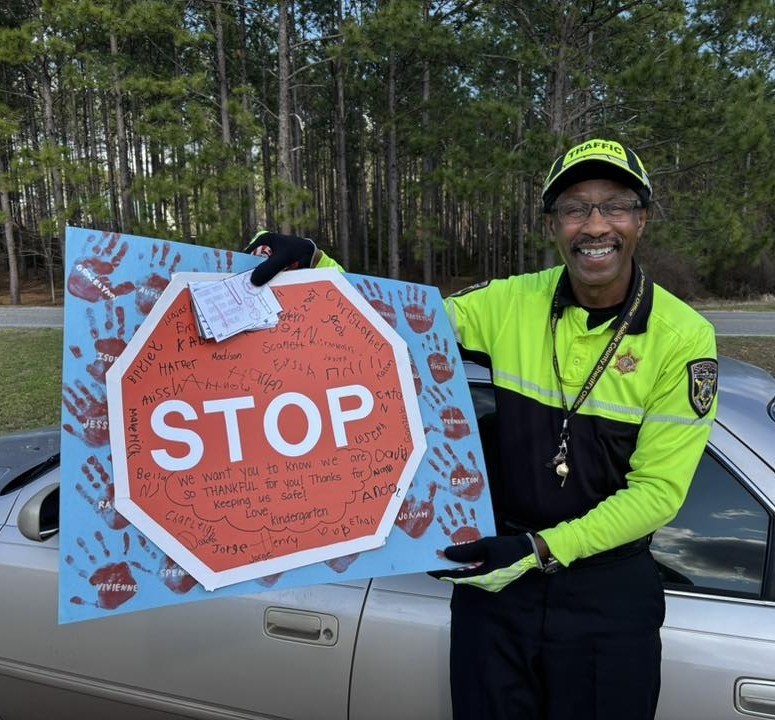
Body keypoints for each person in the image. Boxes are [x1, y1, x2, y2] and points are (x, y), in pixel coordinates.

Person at [246, 137, 718, 720]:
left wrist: (538, 549)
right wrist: (317, 268)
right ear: (553, 227)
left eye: (615, 205)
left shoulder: (684, 336)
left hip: (607, 596)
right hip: (497, 586)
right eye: (575, 208)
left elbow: (658, 494)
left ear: (640, 220)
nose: (595, 225)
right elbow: (396, 324)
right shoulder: (509, 300)